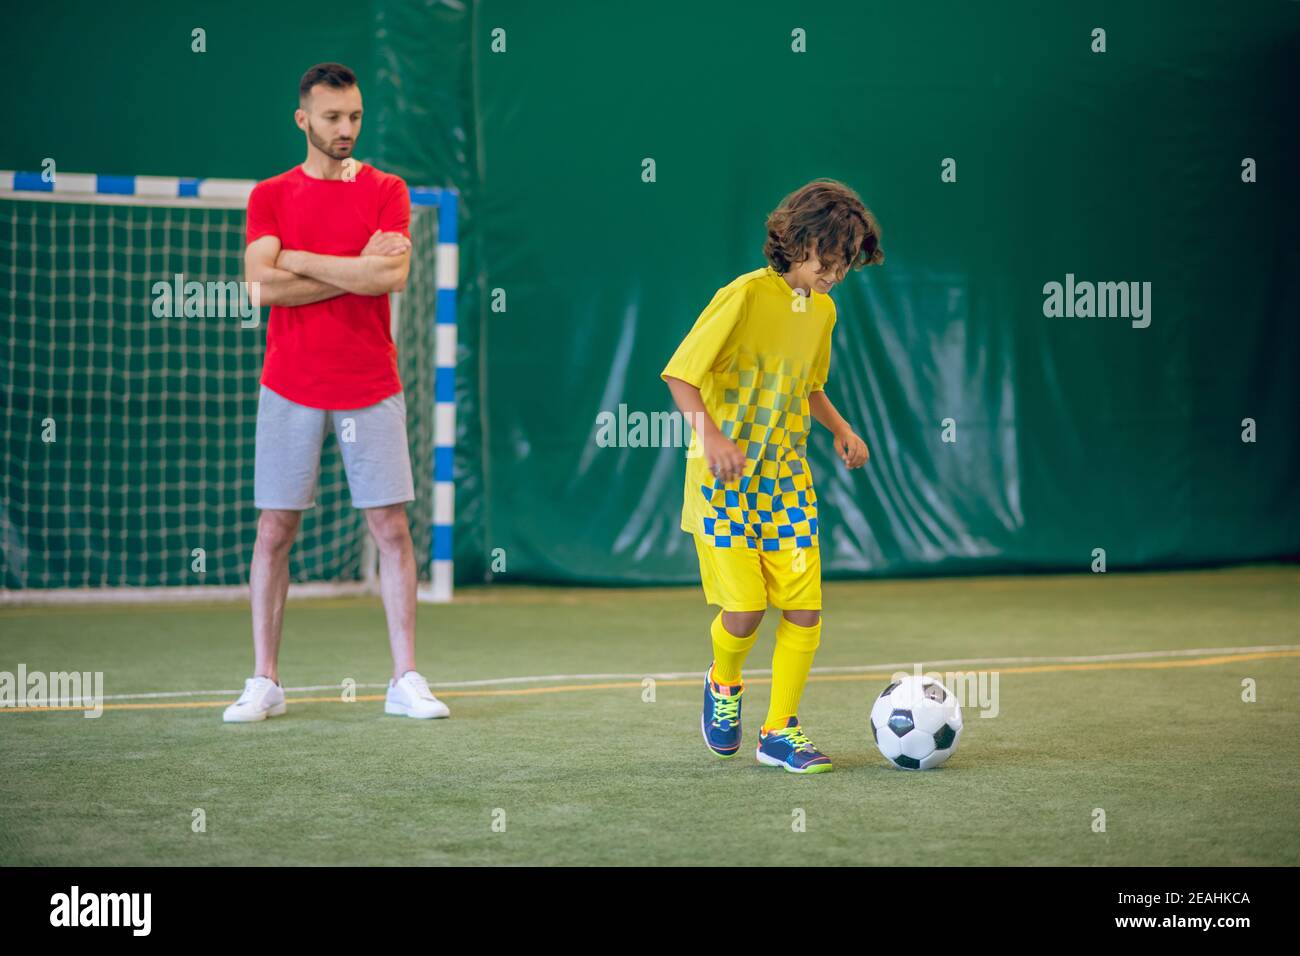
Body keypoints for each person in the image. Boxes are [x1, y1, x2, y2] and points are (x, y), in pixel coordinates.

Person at [223, 62, 448, 723]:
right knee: (274, 530)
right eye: (331, 118)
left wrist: (296, 258)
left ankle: (405, 678)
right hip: (288, 385)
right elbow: (258, 287)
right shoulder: (270, 195)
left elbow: (393, 274)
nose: (345, 128)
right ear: (304, 120)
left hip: (369, 384)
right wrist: (357, 271)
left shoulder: (386, 189)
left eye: (353, 116)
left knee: (391, 528)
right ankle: (265, 679)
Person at [661, 179, 883, 771]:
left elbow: (809, 386)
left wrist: (840, 428)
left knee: (806, 609)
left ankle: (780, 730)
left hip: (786, 483)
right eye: (830, 261)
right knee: (746, 611)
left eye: (845, 266)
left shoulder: (824, 311)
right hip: (723, 482)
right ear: (800, 241)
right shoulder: (743, 296)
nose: (836, 275)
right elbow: (681, 376)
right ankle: (723, 682)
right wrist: (711, 437)